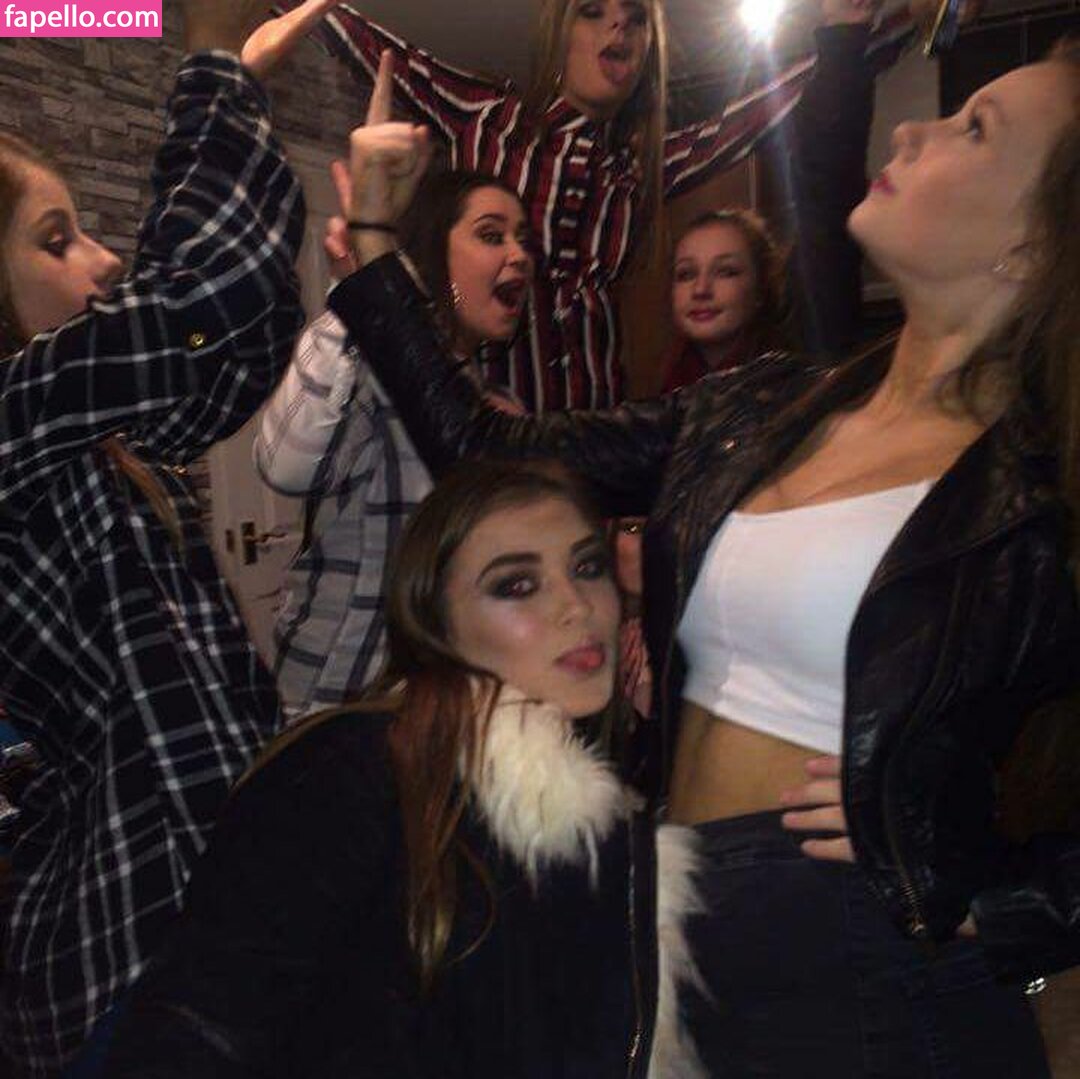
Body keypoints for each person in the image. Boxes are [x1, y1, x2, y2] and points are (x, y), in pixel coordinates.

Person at [322, 32, 1080, 1076]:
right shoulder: (757, 406)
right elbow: (488, 448)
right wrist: (374, 242)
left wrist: (999, 901)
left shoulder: (1041, 489)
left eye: (974, 128)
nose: (916, 127)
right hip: (689, 919)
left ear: (1035, 246)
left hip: (875, 965)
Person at [103, 460, 705, 1078]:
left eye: (587, 567)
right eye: (517, 585)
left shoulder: (619, 793)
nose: (576, 607)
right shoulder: (354, 769)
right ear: (434, 622)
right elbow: (191, 1031)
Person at [0, 2, 341, 1071]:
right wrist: (210, 62)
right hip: (131, 962)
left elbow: (237, 344)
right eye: (56, 239)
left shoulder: (88, 443)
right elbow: (199, 300)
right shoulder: (11, 421)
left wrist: (235, 77)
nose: (103, 260)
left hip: (203, 920)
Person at [273, 0, 912, 409]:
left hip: (594, 427)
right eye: (593, 11)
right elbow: (373, 41)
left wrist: (867, 33)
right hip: (487, 420)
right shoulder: (489, 115)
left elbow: (753, 117)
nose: (620, 26)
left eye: (635, 18)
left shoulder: (639, 166)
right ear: (560, 33)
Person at [256, 155, 532, 718]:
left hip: (442, 712)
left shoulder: (493, 408)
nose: (521, 255)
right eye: (491, 235)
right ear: (431, 255)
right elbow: (284, 466)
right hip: (334, 707)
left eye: (523, 239)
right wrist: (365, 295)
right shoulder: (371, 371)